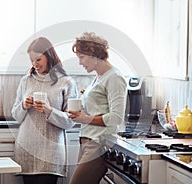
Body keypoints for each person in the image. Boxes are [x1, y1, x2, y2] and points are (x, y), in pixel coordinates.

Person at [11, 37, 78, 184]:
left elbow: (70, 121)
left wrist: (49, 110)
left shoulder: (66, 82)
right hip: (27, 149)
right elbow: (15, 116)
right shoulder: (26, 80)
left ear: (49, 56)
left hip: (50, 153)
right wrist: (23, 105)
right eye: (32, 60)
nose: (35, 64)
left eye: (38, 59)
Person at [68, 32, 127, 184]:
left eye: (81, 57)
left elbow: (116, 117)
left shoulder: (114, 77)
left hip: (99, 143)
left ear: (93, 55)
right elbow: (97, 108)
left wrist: (85, 118)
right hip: (88, 140)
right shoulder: (99, 77)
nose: (80, 63)